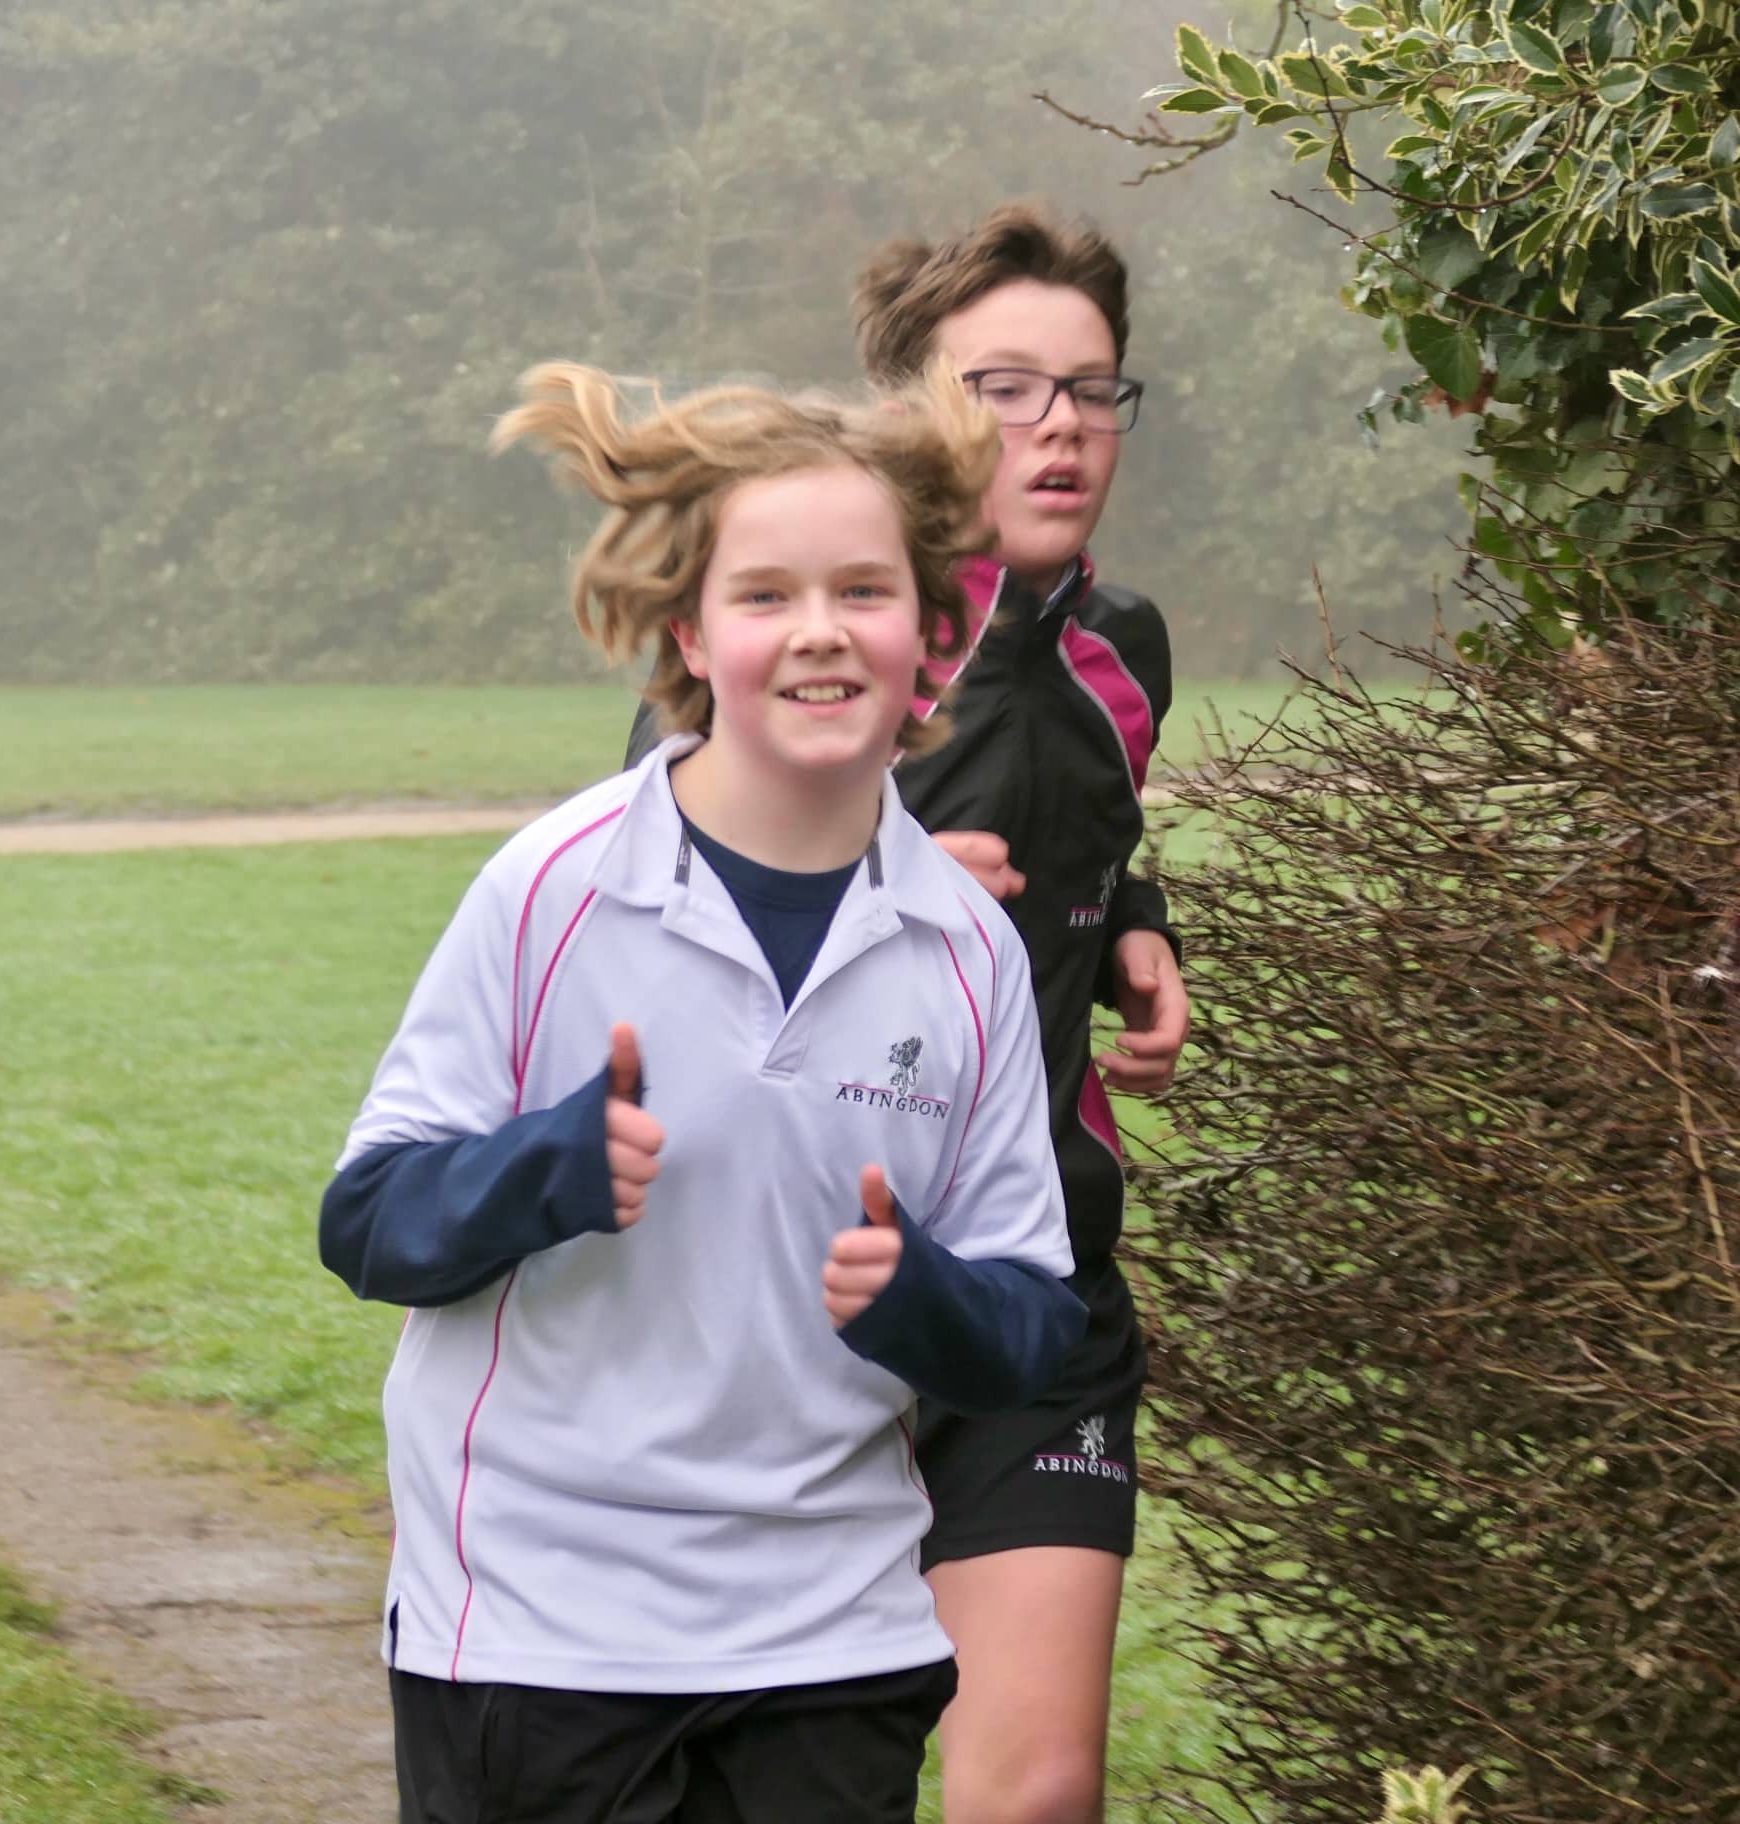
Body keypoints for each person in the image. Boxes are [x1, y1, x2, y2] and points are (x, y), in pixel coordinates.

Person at [329, 359, 1085, 1823]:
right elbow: (366, 1223)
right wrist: (549, 1168)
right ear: (690, 630)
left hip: (833, 1642)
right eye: (766, 595)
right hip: (542, 1630)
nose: (820, 631)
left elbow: (1034, 1324)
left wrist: (919, 1297)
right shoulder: (552, 892)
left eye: (862, 590)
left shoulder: (967, 950)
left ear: (930, 629)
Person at [679, 204, 1196, 1824]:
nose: (1061, 428)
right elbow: (649, 896)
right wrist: (861, 877)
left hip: (1036, 1289)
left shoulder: (1123, 651)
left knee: (1037, 1791)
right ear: (914, 411)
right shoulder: (819, 641)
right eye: (1008, 388)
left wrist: (1137, 927)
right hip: (796, 1297)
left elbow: (1086, 831)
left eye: (1092, 390)